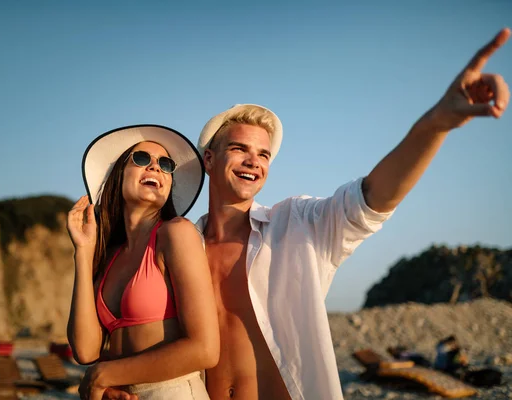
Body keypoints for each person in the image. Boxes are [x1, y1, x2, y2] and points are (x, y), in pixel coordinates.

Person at [193, 28, 510, 399]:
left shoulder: (296, 225)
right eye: (239, 148)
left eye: (263, 154)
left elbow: (373, 198)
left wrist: (435, 123)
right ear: (210, 159)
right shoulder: (181, 247)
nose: (254, 162)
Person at [66, 125, 220, 400]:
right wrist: (83, 251)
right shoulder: (110, 255)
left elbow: (205, 349)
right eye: (140, 159)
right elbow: (85, 350)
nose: (155, 168)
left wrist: (103, 374)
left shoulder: (176, 233)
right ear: (118, 175)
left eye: (165, 164)